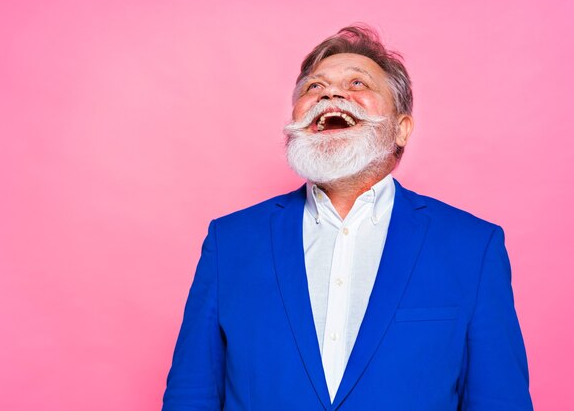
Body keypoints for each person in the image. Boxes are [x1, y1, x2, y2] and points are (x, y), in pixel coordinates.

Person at [162, 24, 533, 411]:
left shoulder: (472, 246)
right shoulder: (230, 241)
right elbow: (192, 395)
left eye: (358, 83)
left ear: (401, 129)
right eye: (313, 87)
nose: (331, 93)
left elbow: (499, 400)